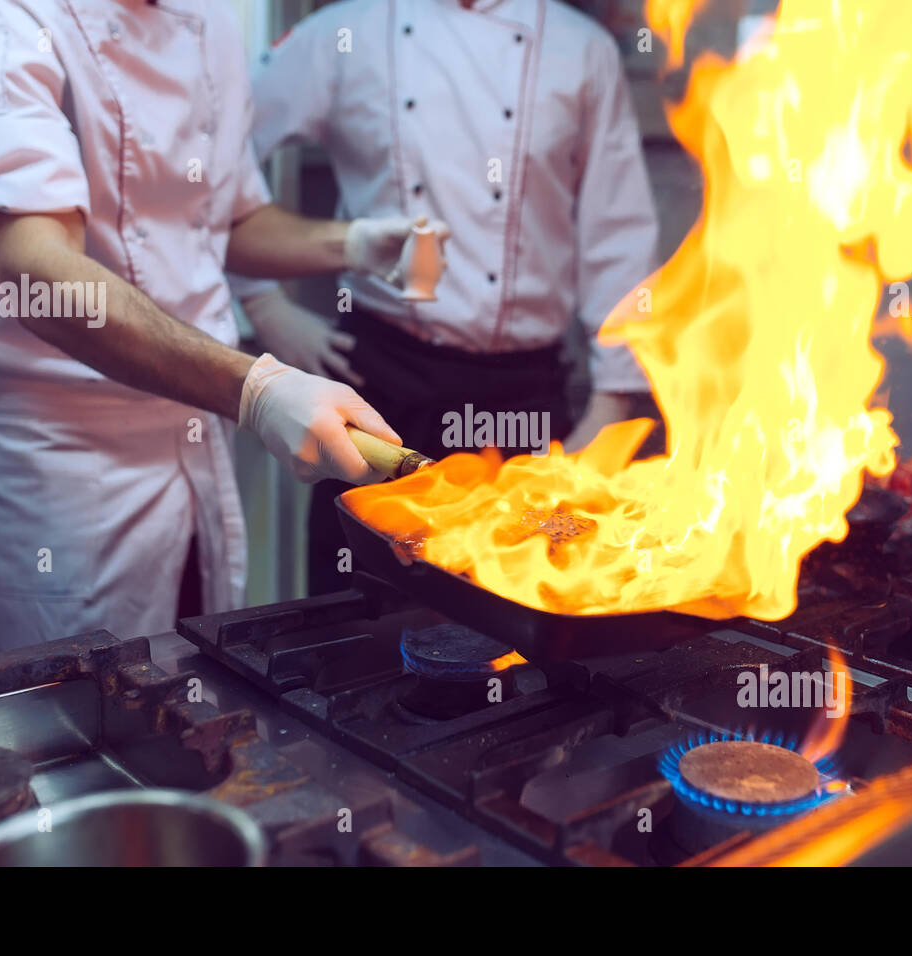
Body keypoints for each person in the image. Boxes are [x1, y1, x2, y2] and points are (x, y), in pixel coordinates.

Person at [0, 0, 410, 655]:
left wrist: (354, 242)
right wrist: (255, 388)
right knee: (76, 712)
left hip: (199, 431)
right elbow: (37, 268)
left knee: (199, 684)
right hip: (66, 459)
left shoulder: (208, 21)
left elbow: (226, 220)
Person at [240, 0, 660, 595]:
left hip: (526, 401)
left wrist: (613, 400)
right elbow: (221, 151)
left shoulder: (582, 49)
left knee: (525, 626)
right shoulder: (345, 31)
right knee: (361, 628)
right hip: (379, 393)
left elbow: (616, 233)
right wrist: (264, 305)